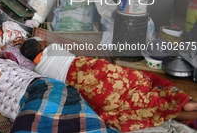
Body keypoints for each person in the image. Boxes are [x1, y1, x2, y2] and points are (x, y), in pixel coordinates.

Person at [20, 38, 197, 132]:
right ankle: (187, 103)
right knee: (141, 86)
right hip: (100, 70)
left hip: (93, 90)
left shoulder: (40, 71)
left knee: (146, 104)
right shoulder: (54, 49)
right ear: (41, 46)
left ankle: (184, 108)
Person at [0, 53, 117, 133]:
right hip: (59, 88)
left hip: (38, 93)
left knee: (30, 127)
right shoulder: (3, 62)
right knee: (85, 124)